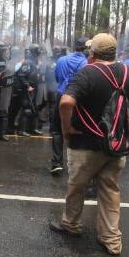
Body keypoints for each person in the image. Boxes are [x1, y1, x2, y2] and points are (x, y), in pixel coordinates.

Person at [49, 33, 129, 254]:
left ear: (93, 53)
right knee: (110, 190)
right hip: (116, 144)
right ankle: (111, 240)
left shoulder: (88, 72)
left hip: (85, 144)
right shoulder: (128, 72)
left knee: (77, 186)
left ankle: (71, 224)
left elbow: (66, 102)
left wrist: (67, 129)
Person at [50, 38, 89, 175]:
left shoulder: (61, 60)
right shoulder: (87, 63)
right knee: (78, 129)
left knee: (57, 130)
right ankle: (77, 164)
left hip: (61, 96)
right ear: (87, 48)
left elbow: (57, 78)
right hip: (78, 98)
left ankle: (57, 163)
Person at [8, 44, 43, 136]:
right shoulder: (27, 62)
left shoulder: (34, 62)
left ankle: (32, 128)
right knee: (26, 109)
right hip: (26, 90)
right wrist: (28, 86)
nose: (39, 54)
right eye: (37, 53)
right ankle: (21, 130)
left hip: (33, 88)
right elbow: (21, 75)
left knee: (34, 108)